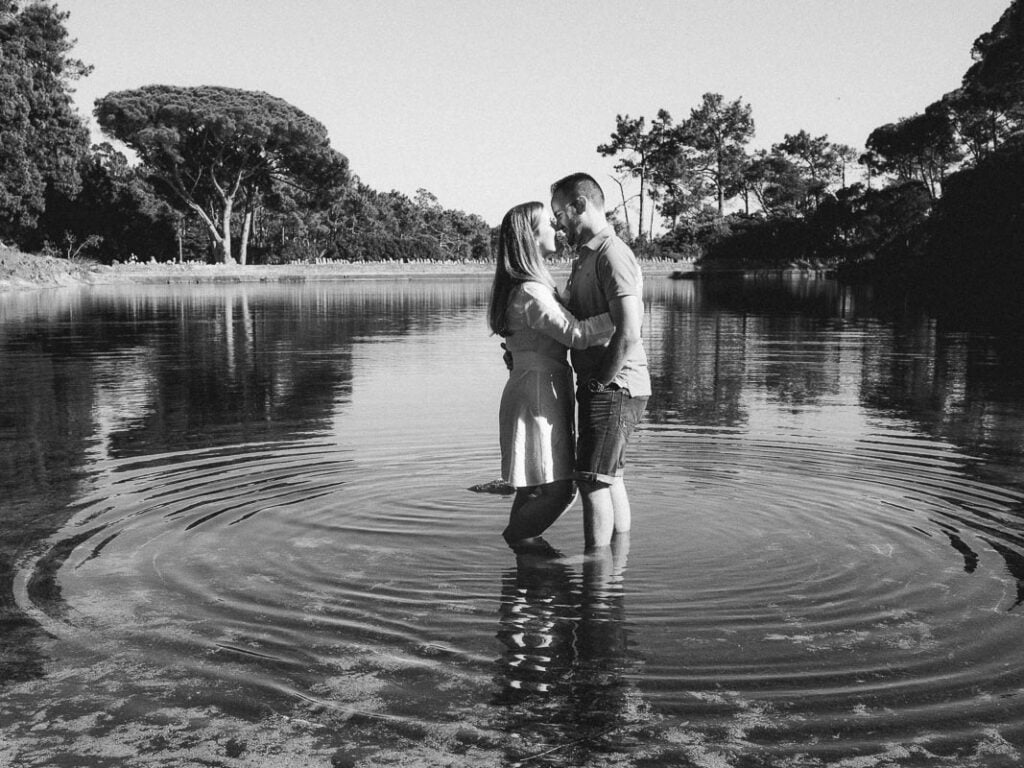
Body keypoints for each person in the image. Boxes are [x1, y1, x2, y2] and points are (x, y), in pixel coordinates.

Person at [489, 201, 614, 549]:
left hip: (534, 386)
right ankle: (516, 542)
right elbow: (576, 334)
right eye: (548, 223)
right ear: (530, 236)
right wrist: (622, 316)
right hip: (538, 392)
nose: (556, 228)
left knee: (532, 487)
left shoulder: (530, 286)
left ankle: (521, 583)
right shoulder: (530, 291)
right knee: (561, 491)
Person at [549, 173, 650, 550]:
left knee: (591, 482)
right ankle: (614, 568)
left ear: (580, 205)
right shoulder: (587, 256)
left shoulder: (611, 253)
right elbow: (579, 317)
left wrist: (600, 382)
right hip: (612, 383)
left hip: (616, 384)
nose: (557, 223)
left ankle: (596, 573)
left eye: (560, 213)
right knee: (610, 477)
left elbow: (630, 330)